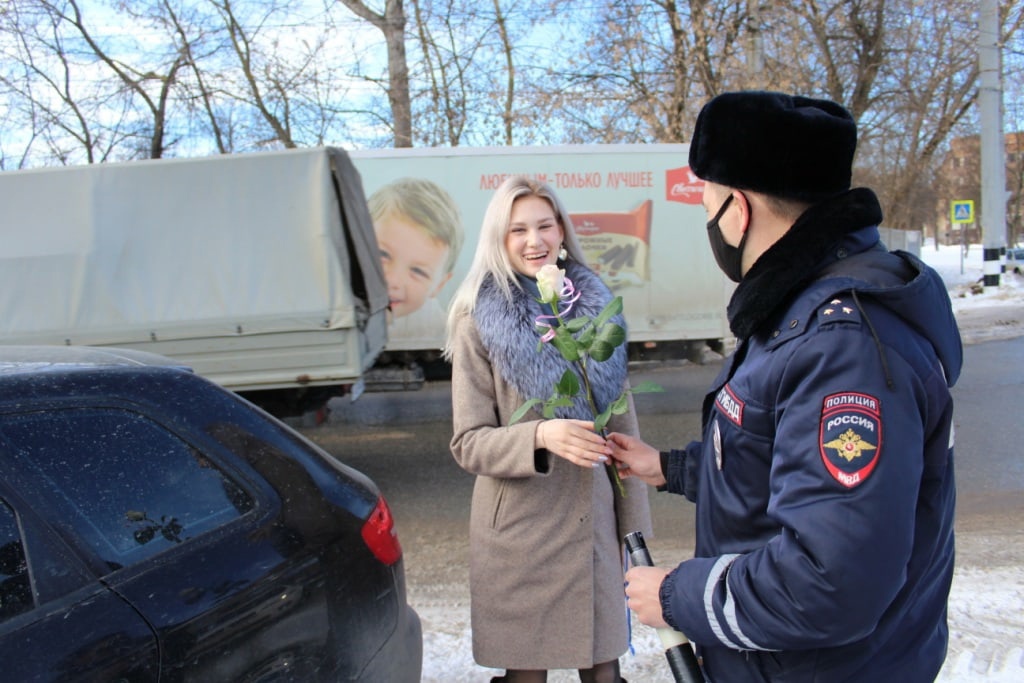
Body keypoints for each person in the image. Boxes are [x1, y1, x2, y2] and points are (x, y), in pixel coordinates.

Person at [608, 91, 962, 682]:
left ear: (738, 211)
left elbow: (831, 581)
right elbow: (782, 461)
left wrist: (676, 594)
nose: (710, 225)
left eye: (708, 206)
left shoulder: (838, 346)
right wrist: (671, 468)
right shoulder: (802, 307)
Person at [444, 175, 652, 683]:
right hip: (520, 535)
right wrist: (541, 436)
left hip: (592, 526)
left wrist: (635, 536)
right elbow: (467, 443)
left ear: (561, 230)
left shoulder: (598, 310)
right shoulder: (478, 320)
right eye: (518, 230)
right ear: (499, 238)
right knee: (528, 676)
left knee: (604, 670)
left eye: (544, 225)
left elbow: (623, 430)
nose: (534, 241)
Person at [368, 177, 463, 339]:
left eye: (418, 271)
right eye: (383, 255)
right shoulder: (342, 301)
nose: (393, 281)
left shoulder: (434, 324)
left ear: (438, 286)